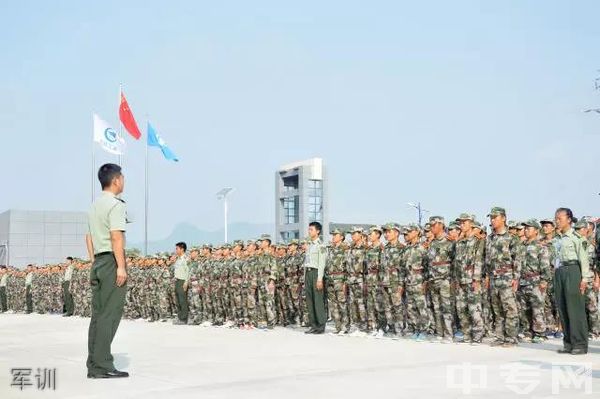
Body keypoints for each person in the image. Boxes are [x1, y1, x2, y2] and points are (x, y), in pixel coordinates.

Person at [85, 163, 129, 379]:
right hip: (111, 261)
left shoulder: (94, 206)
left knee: (98, 315)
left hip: (98, 262)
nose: (124, 181)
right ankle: (103, 365)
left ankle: (93, 364)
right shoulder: (115, 205)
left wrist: (94, 260)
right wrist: (120, 266)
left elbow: (89, 237)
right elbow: (116, 237)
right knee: (109, 314)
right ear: (116, 180)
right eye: (122, 177)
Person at [555, 208, 590, 355]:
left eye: (559, 218)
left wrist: (584, 278)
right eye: (556, 218)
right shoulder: (557, 238)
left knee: (575, 309)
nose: (557, 221)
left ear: (569, 219)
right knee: (562, 308)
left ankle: (580, 344)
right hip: (560, 271)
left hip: (573, 270)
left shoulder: (576, 237)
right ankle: (568, 343)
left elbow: (583, 259)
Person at [304, 221, 327, 334]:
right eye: (309, 229)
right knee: (309, 300)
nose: (309, 231)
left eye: (311, 229)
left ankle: (320, 325)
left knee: (317, 300)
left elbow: (322, 264)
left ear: (317, 231)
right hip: (308, 274)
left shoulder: (321, 245)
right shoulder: (309, 245)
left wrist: (319, 279)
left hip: (316, 273)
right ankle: (313, 325)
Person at [172, 242, 190, 325]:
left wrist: (186, 282)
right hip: (177, 281)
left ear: (182, 249)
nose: (176, 250)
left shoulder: (185, 259)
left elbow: (188, 271)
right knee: (178, 300)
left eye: (177, 248)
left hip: (182, 281)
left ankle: (184, 318)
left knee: (183, 300)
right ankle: (179, 316)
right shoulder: (178, 259)